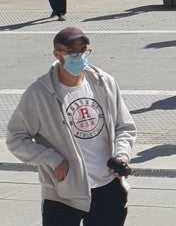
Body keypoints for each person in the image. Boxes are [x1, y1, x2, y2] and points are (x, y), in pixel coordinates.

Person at [6, 26, 137, 223]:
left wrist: (122, 154)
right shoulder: (39, 93)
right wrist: (51, 159)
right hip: (62, 192)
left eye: (83, 50)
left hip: (108, 186)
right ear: (58, 54)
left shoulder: (104, 83)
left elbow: (125, 127)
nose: (78, 56)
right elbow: (16, 138)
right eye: (71, 51)